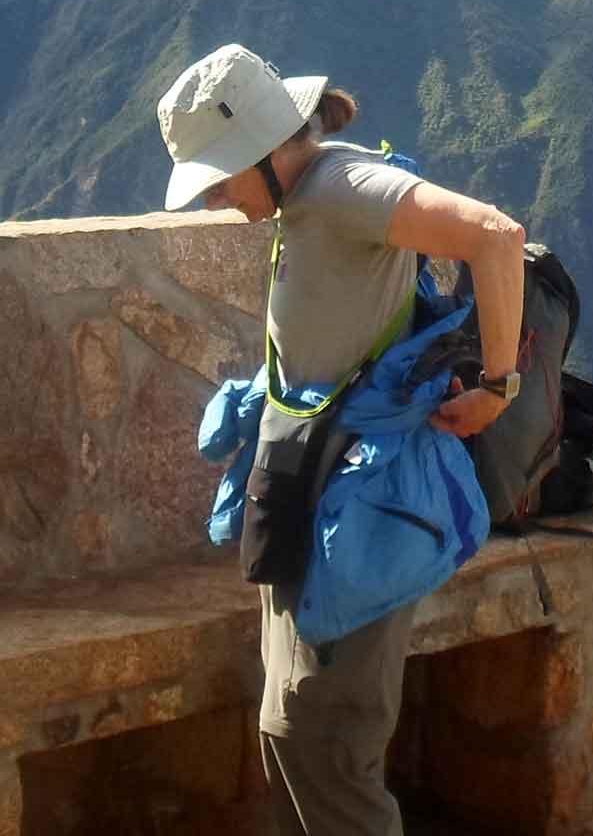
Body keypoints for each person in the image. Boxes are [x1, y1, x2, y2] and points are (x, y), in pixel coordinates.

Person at [158, 42, 525, 836]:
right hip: (312, 490)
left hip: (362, 505)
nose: (218, 200)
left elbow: (495, 236)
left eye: (220, 180)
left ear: (261, 153)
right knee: (287, 734)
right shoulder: (301, 202)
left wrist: (499, 387)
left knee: (325, 738)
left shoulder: (343, 186)